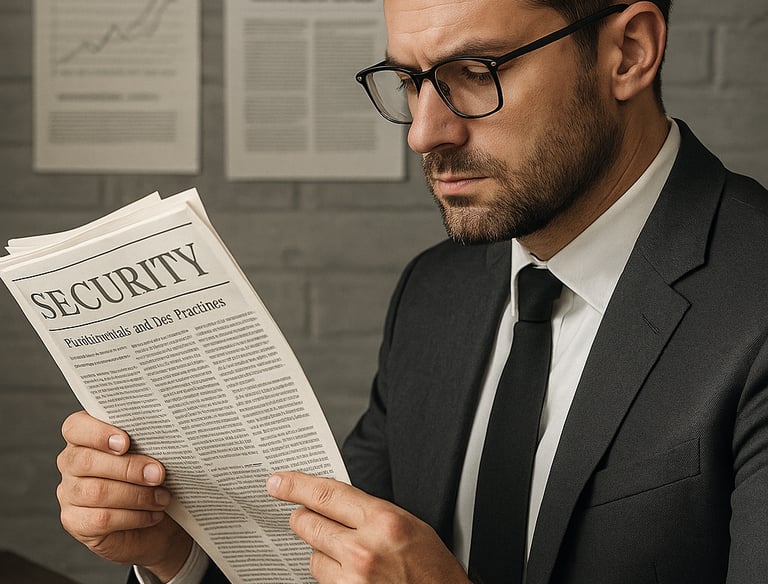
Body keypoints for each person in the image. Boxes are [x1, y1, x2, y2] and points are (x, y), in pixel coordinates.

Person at [56, 0, 768, 582]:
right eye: (409, 81)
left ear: (630, 52)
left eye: (474, 71)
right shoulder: (436, 293)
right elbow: (328, 561)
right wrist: (172, 553)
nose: (425, 133)